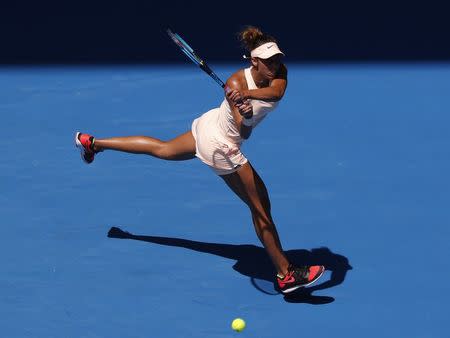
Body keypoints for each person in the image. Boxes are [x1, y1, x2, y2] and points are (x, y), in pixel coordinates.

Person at [75, 26, 324, 294]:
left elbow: (276, 93)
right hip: (220, 144)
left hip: (211, 125)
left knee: (163, 149)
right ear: (254, 61)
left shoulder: (277, 75)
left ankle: (94, 144)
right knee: (260, 206)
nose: (275, 65)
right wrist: (245, 113)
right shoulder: (236, 82)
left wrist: (247, 99)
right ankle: (285, 274)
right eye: (268, 61)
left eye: (277, 59)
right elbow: (243, 132)